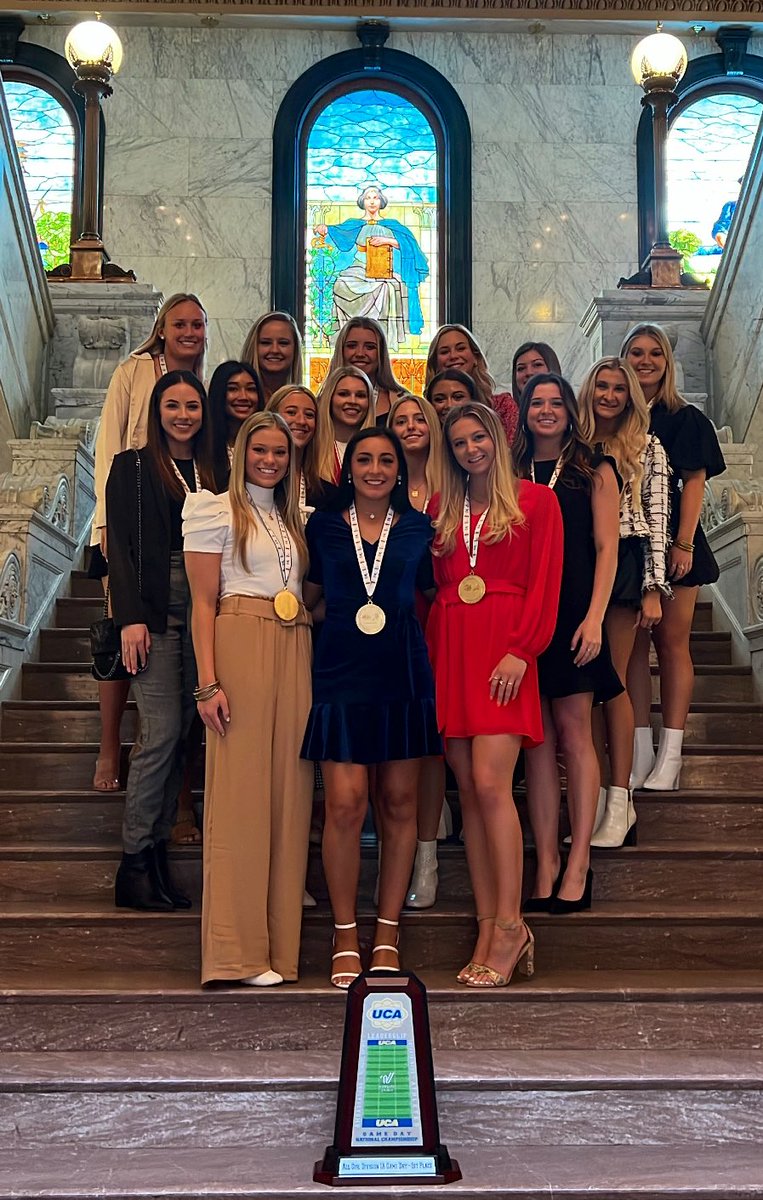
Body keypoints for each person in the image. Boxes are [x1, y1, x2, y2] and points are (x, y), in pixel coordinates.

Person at [427, 402, 563, 986]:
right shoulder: (443, 509)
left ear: (499, 437)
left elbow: (546, 581)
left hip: (505, 648)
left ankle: (512, 923)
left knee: (490, 782)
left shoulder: (537, 501)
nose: (470, 450)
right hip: (452, 645)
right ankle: (488, 923)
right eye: (458, 443)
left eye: (478, 437)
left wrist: (523, 648)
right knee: (468, 789)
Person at [301, 427, 441, 988]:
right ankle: (342, 932)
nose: (376, 468)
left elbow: (430, 595)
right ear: (348, 467)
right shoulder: (324, 527)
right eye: (365, 459)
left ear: (400, 470)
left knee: (401, 801)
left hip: (402, 670)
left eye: (387, 460)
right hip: (339, 669)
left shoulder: (417, 527)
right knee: (345, 803)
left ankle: (386, 929)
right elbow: (310, 595)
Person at [183, 411, 313, 987]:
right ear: (240, 451)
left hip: (295, 642)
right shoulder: (212, 508)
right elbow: (202, 604)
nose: (269, 459)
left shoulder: (291, 518)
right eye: (260, 449)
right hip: (240, 637)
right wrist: (208, 682)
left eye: (279, 452)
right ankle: (235, 953)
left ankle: (279, 951)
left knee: (291, 794)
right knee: (241, 797)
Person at [106, 371, 216, 911]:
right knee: (161, 730)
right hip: (152, 607)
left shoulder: (216, 467)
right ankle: (133, 863)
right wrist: (129, 617)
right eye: (172, 405)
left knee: (188, 730)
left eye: (192, 405)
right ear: (157, 410)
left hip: (205, 603)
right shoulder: (130, 466)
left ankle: (155, 858)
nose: (182, 415)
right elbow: (120, 546)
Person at [90, 294, 207, 794]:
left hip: (182, 529)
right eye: (179, 323)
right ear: (161, 329)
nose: (189, 332)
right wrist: (104, 530)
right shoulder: (133, 372)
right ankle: (109, 744)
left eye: (198, 324)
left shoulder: (203, 379)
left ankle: (174, 782)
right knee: (125, 632)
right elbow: (108, 446)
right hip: (129, 516)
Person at [514, 374, 621, 913]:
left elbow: (607, 549)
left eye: (557, 402)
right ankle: (547, 861)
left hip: (576, 614)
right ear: (524, 411)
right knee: (534, 739)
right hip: (523, 617)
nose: (547, 411)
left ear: (570, 411)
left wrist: (597, 617)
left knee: (575, 733)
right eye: (538, 402)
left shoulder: (594, 469)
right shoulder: (508, 470)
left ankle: (579, 857)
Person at [621, 324, 726, 791]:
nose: (646, 361)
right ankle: (639, 750)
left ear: (667, 362)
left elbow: (695, 482)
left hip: (675, 544)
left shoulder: (685, 418)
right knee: (633, 653)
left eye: (655, 354)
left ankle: (672, 753)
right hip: (627, 547)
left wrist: (681, 544)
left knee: (671, 643)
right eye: (637, 353)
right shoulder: (614, 417)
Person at [577, 357, 671, 846]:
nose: (609, 396)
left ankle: (621, 800)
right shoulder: (577, 445)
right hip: (581, 563)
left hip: (628, 560)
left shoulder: (647, 446)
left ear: (630, 396)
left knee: (609, 683)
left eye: (618, 388)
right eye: (601, 387)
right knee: (583, 690)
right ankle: (591, 801)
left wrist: (653, 587)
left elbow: (657, 517)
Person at [387, 394, 444, 907]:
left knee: (440, 736)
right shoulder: (383, 483)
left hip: (447, 616)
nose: (410, 426)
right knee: (413, 746)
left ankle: (428, 851)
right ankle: (412, 856)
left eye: (417, 419)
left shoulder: (458, 482)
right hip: (395, 625)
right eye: (400, 420)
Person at [313, 184, 429, 352]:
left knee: (385, 288)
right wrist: (324, 229)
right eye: (368, 198)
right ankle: (346, 337)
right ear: (362, 201)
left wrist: (386, 241)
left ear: (381, 201)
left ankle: (379, 338)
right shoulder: (354, 224)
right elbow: (337, 233)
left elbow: (408, 245)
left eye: (375, 197)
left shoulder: (392, 225)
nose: (372, 201)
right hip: (357, 269)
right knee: (339, 284)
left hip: (383, 271)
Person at [425, 325, 518, 443]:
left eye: (460, 348)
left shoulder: (502, 406)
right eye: (444, 352)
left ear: (475, 356)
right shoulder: (428, 413)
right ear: (435, 364)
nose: (453, 356)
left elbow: (511, 453)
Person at [267, 384, 333, 513]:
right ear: (271, 417)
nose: (302, 421)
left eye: (309, 415)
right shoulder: (256, 482)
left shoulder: (325, 493)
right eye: (291, 412)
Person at [328, 317, 406, 422]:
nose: (360, 354)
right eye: (352, 346)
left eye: (370, 347)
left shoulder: (402, 401)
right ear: (341, 350)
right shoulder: (320, 403)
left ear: (381, 354)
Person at [208, 360, 264, 491]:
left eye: (251, 389)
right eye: (233, 389)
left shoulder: (266, 444)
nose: (243, 396)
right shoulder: (204, 446)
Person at [316, 366, 376, 482]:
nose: (352, 401)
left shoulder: (381, 448)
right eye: (343, 394)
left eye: (360, 395)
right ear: (330, 398)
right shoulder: (313, 447)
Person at [241, 311, 303, 403]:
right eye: (266, 343)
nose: (275, 350)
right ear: (253, 347)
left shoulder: (304, 403)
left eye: (283, 343)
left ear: (295, 348)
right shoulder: (239, 399)